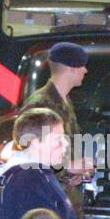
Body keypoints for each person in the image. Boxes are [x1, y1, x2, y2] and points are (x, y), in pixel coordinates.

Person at [23, 41, 95, 197]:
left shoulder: (65, 101)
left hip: (62, 192)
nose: (85, 70)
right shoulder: (40, 103)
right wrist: (67, 167)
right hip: (44, 195)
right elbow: (29, 153)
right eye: (82, 66)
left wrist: (75, 172)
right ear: (71, 69)